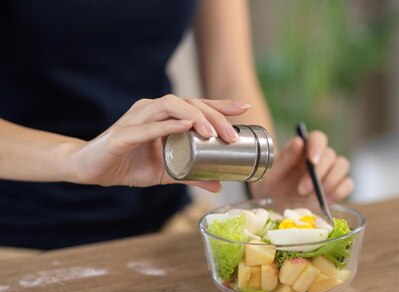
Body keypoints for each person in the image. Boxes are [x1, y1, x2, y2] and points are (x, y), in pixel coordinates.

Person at [0, 1, 353, 250]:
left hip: (165, 226)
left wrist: (263, 175)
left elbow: (231, 81)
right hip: (19, 240)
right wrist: (78, 158)